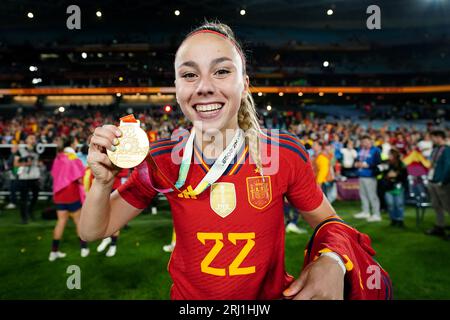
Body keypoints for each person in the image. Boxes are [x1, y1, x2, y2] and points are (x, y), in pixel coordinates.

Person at [80, 21, 391, 300]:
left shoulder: (283, 152)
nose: (204, 87)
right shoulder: (162, 159)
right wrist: (103, 182)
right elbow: (93, 230)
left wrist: (333, 259)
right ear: (176, 88)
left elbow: (330, 223)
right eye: (189, 74)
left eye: (222, 71)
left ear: (244, 83)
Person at [49, 136, 89, 261]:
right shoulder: (72, 156)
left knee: (61, 222)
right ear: (72, 143)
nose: (77, 143)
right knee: (78, 221)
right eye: (76, 141)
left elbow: (54, 174)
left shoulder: (58, 157)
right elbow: (79, 177)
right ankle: (84, 248)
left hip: (59, 195)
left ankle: (53, 252)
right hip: (71, 194)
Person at [425, 130, 450, 239]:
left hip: (441, 181)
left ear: (439, 137)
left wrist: (443, 180)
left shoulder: (447, 150)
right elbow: (432, 164)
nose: (432, 140)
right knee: (436, 205)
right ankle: (440, 226)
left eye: (433, 137)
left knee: (447, 206)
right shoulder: (435, 149)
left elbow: (448, 166)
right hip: (432, 179)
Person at [354, 135, 382, 222]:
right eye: (363, 142)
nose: (364, 143)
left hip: (370, 176)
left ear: (370, 142)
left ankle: (376, 214)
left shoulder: (375, 150)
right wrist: (356, 163)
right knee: (363, 195)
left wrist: (367, 165)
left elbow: (378, 163)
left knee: (372, 195)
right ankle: (365, 212)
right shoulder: (360, 150)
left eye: (366, 141)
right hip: (361, 174)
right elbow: (357, 159)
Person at [14, 134, 40, 224]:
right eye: (31, 138)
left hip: (35, 176)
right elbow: (15, 164)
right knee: (23, 198)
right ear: (26, 140)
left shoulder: (37, 149)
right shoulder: (21, 150)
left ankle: (30, 211)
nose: (33, 139)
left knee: (35, 196)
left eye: (34, 138)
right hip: (24, 177)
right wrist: (25, 164)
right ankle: (24, 217)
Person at [380, 149, 407, 227]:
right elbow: (380, 172)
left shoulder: (401, 164)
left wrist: (396, 175)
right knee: (390, 204)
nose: (389, 156)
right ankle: (393, 219)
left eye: (390, 155)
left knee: (399, 204)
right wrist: (387, 175)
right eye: (389, 154)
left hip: (398, 187)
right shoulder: (385, 163)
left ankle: (400, 220)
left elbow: (405, 176)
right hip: (388, 187)